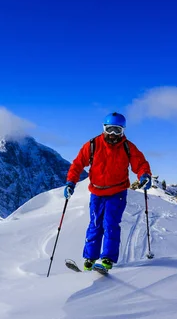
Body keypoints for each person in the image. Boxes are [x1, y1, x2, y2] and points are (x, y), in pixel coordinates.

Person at [64, 112, 152, 271]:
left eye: (117, 130)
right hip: (97, 193)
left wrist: (144, 175)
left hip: (117, 193)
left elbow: (140, 164)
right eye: (110, 129)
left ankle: (107, 259)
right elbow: (77, 164)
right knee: (95, 225)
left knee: (110, 224)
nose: (113, 134)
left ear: (123, 131)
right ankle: (90, 259)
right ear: (104, 128)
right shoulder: (92, 145)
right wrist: (71, 182)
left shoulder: (127, 147)